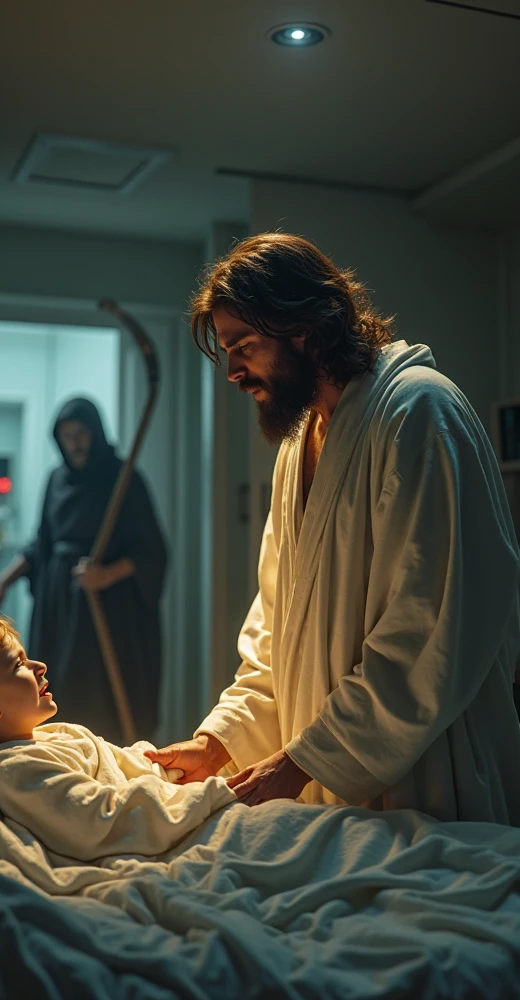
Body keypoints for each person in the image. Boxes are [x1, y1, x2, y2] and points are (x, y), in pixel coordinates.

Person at [146, 232, 520, 825]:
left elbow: (428, 632)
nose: (233, 372)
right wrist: (222, 741)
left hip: (428, 776)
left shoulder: (420, 414)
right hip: (328, 780)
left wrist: (300, 762)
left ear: (307, 327)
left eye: (243, 345)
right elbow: (278, 625)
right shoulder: (299, 444)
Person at [0, 617, 234, 860]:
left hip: (183, 790)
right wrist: (204, 797)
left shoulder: (43, 738)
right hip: (184, 808)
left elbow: (116, 763)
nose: (40, 667)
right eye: (18, 664)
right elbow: (103, 820)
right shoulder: (16, 772)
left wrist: (155, 762)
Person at [0, 397, 167, 744]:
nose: (75, 443)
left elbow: (151, 552)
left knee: (102, 691)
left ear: (95, 433)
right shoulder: (56, 479)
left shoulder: (123, 477)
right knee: (60, 684)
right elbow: (42, 543)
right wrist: (2, 582)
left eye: (80, 433)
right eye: (66, 436)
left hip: (108, 608)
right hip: (61, 606)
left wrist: (106, 575)